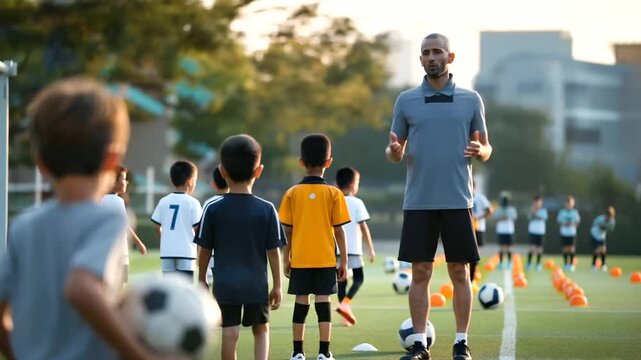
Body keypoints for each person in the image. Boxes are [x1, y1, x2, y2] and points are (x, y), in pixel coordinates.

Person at [0, 78, 169, 359]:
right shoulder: (108, 219)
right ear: (112, 161)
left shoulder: (23, 225)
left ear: (41, 163)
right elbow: (81, 288)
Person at [386, 33, 492, 360]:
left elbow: (487, 148)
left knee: (460, 272)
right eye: (425, 53)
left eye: (437, 52)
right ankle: (420, 344)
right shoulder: (405, 101)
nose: (431, 57)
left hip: (458, 200)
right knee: (420, 272)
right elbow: (394, 152)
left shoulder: (471, 99)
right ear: (420, 60)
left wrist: (482, 150)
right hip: (418, 201)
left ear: (451, 57)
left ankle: (461, 343)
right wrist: (394, 151)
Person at [195, 134, 283, 360]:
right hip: (256, 283)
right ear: (259, 171)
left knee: (229, 332)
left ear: (222, 171)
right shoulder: (267, 209)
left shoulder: (213, 209)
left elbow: (204, 249)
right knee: (261, 329)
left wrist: (202, 278)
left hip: (225, 283)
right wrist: (278, 286)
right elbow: (273, 251)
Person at [279, 134, 350, 360]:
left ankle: (298, 352)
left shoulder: (292, 193)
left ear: (301, 161)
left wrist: (286, 258)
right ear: (329, 162)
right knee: (323, 303)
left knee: (301, 303)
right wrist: (344, 261)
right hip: (325, 259)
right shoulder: (334, 193)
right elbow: (339, 230)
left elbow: (287, 231)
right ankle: (323, 353)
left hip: (300, 258)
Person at [334, 167, 376, 327]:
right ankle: (346, 304)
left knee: (341, 281)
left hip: (337, 250)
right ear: (353, 185)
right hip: (354, 249)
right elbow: (364, 227)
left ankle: (345, 315)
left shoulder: (335, 200)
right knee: (359, 279)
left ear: (337, 184)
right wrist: (370, 249)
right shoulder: (357, 202)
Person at [151, 160, 202, 279]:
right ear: (190, 181)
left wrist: (167, 239)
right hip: (186, 251)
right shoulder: (193, 202)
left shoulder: (164, 201)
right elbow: (198, 229)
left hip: (167, 251)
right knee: (186, 285)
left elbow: (157, 226)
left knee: (169, 284)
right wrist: (200, 251)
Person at [101, 165, 148, 283]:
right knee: (121, 285)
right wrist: (139, 243)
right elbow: (125, 225)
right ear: (112, 182)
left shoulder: (100, 199)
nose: (126, 182)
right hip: (120, 251)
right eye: (123, 179)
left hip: (104, 251)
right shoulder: (117, 201)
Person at [201, 167, 229, 285]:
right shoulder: (238, 202)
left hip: (212, 256)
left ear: (213, 184)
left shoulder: (209, 203)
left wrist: (199, 255)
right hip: (231, 256)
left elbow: (203, 233)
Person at [469, 182, 493, 282]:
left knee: (474, 254)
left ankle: (472, 277)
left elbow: (490, 210)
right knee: (467, 254)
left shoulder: (480, 197)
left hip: (478, 228)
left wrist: (478, 218)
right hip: (468, 228)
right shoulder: (464, 196)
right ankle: (469, 277)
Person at [494, 193, 518, 270]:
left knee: (509, 247)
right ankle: (500, 263)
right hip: (501, 230)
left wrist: (506, 216)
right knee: (501, 247)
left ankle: (509, 262)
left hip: (509, 230)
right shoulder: (498, 209)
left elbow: (514, 217)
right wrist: (502, 217)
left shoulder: (511, 209)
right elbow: (495, 218)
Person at [557, 195, 580, 272]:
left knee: (572, 248)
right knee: (565, 248)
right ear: (566, 204)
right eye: (568, 203)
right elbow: (559, 221)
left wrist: (572, 224)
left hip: (572, 233)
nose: (569, 204)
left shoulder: (575, 212)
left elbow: (577, 223)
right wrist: (565, 223)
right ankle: (565, 263)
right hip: (564, 233)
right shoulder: (562, 212)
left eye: (571, 203)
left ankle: (571, 264)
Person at [590, 206, 616, 272]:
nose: (608, 217)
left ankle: (603, 265)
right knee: (598, 250)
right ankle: (593, 266)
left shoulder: (612, 221)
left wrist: (605, 228)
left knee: (603, 250)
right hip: (595, 234)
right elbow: (594, 224)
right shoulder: (600, 219)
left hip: (602, 236)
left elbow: (611, 229)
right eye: (608, 215)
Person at [526, 195, 548, 271]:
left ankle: (538, 263)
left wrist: (536, 214)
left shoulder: (543, 210)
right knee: (531, 247)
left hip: (540, 232)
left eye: (538, 202)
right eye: (535, 202)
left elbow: (543, 217)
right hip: (532, 231)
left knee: (539, 248)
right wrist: (534, 213)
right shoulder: (531, 210)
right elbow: (530, 217)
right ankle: (529, 263)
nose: (537, 204)